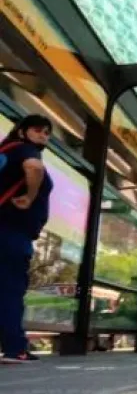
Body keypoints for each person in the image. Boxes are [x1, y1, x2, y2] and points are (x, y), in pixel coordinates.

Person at [0, 114, 54, 364]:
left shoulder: (4, 153)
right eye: (38, 130)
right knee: (10, 289)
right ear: (22, 131)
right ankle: (14, 348)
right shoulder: (25, 150)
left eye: (47, 132)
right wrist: (30, 197)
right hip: (10, 231)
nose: (44, 135)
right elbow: (34, 168)